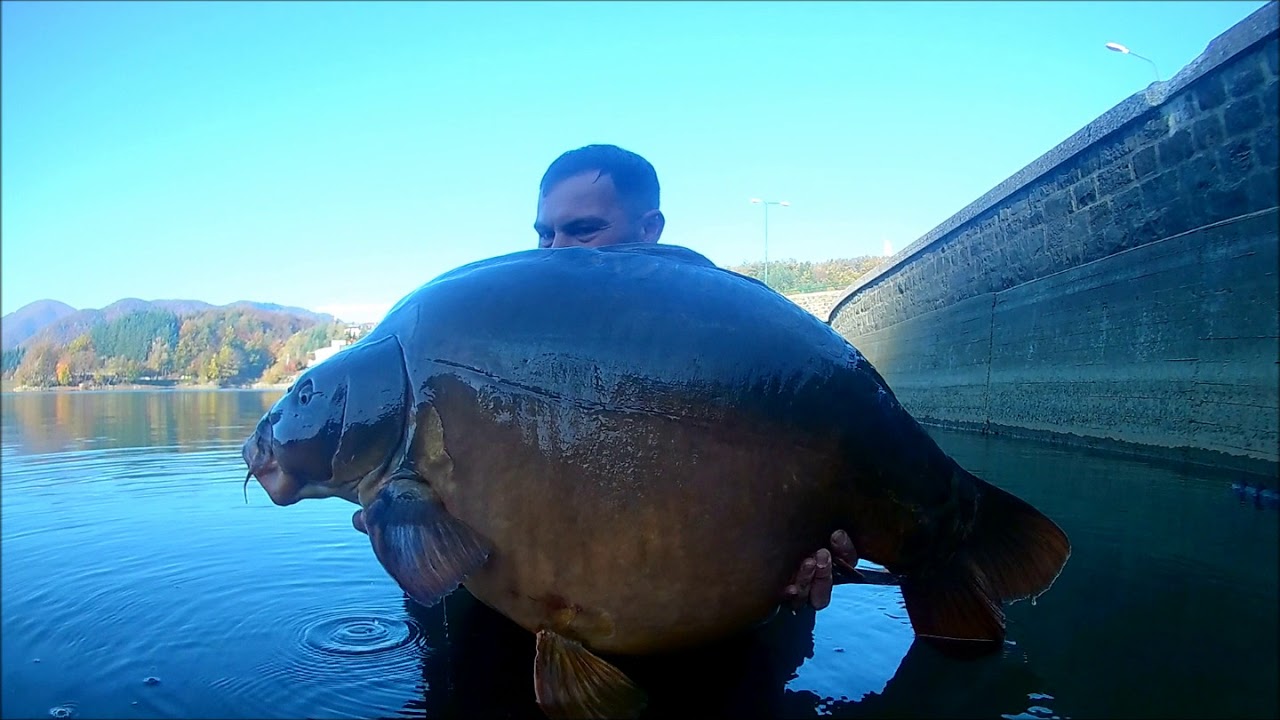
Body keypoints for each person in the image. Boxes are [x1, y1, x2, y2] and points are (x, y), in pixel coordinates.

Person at [534, 143, 861, 611]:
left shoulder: (728, 336)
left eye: (583, 231)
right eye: (545, 235)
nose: (556, 252)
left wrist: (812, 549)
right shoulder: (519, 342)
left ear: (650, 229)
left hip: (713, 624)